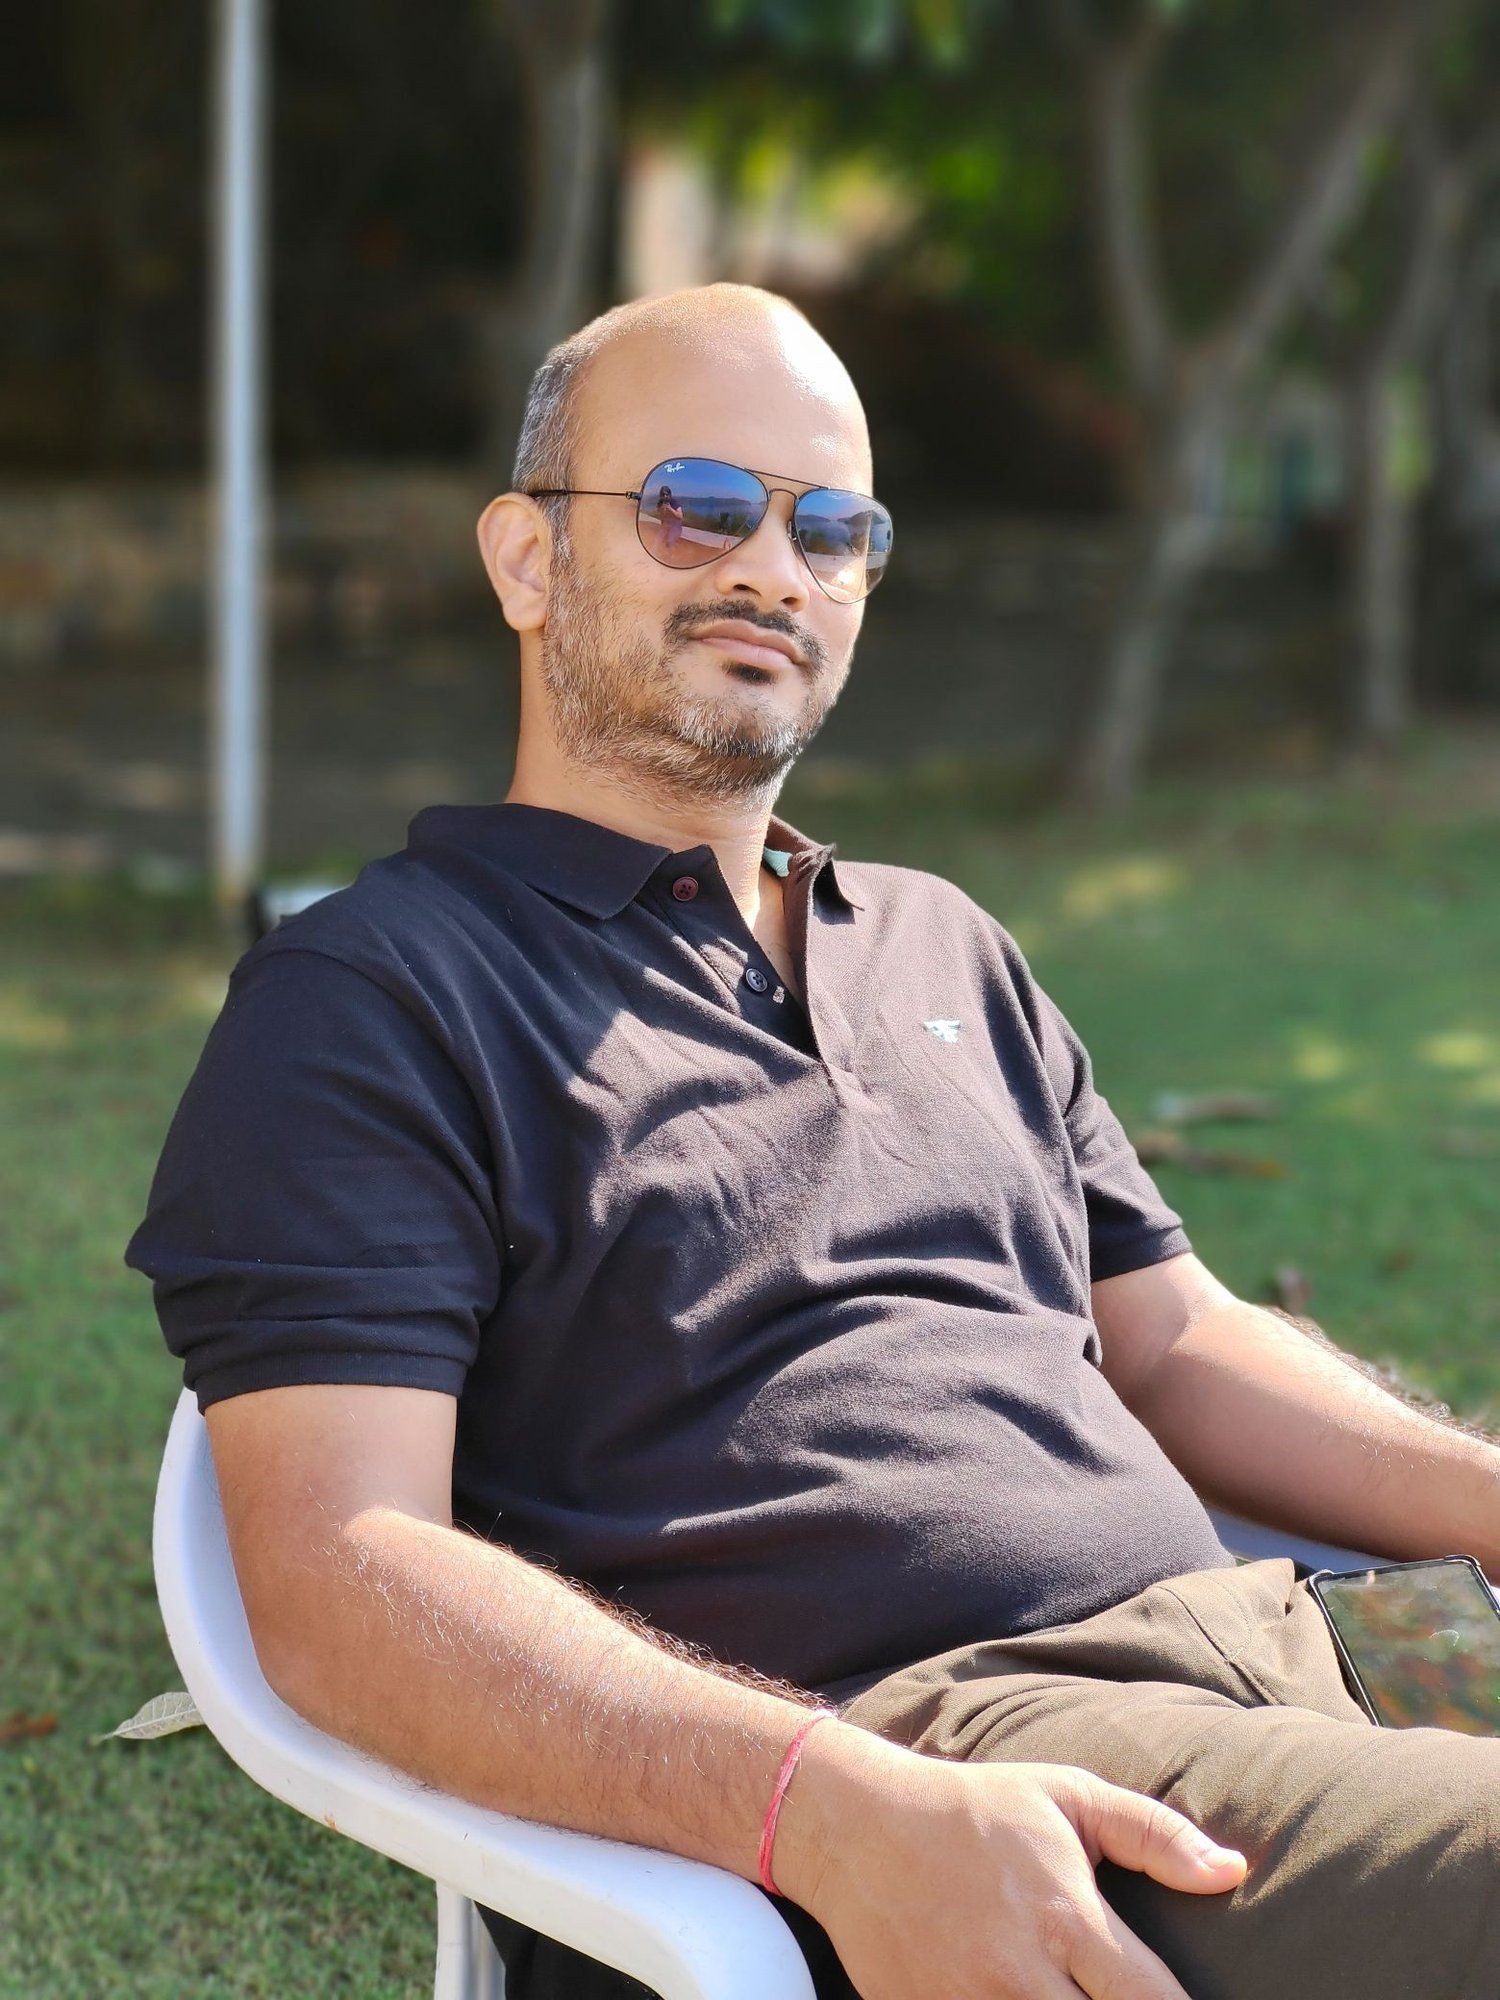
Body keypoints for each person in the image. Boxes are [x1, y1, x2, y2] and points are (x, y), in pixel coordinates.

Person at [127, 282, 1500, 2000]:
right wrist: (832, 1810)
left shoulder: (944, 944)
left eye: (833, 529)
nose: (775, 568)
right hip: (966, 1752)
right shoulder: (376, 992)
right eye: (701, 504)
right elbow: (338, 1576)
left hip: (1309, 1650)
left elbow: (1181, 1343)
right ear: (527, 561)